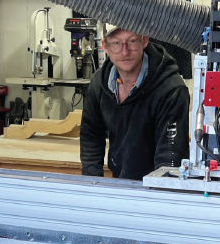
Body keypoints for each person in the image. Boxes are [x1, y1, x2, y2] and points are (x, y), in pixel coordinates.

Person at [80, 25, 189, 179]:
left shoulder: (170, 89)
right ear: (105, 46)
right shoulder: (99, 83)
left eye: (132, 41)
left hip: (155, 187)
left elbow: (170, 157)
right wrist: (92, 186)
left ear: (144, 41)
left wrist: (162, 197)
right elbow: (91, 137)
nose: (125, 52)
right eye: (117, 43)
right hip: (119, 180)